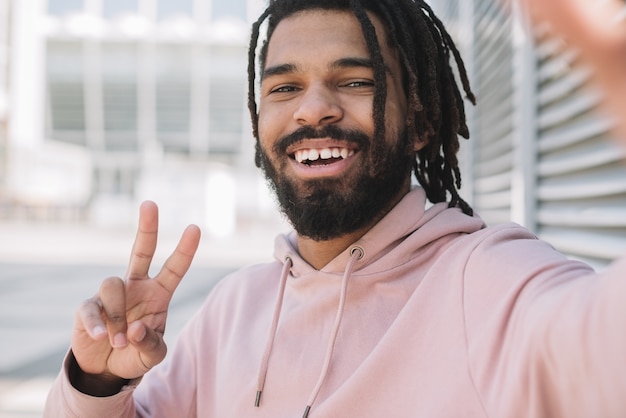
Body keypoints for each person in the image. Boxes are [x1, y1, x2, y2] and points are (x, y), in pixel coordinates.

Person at [44, 0, 626, 416]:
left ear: (420, 121)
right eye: (284, 88)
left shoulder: (490, 281)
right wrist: (96, 382)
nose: (312, 110)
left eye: (354, 82)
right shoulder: (233, 310)